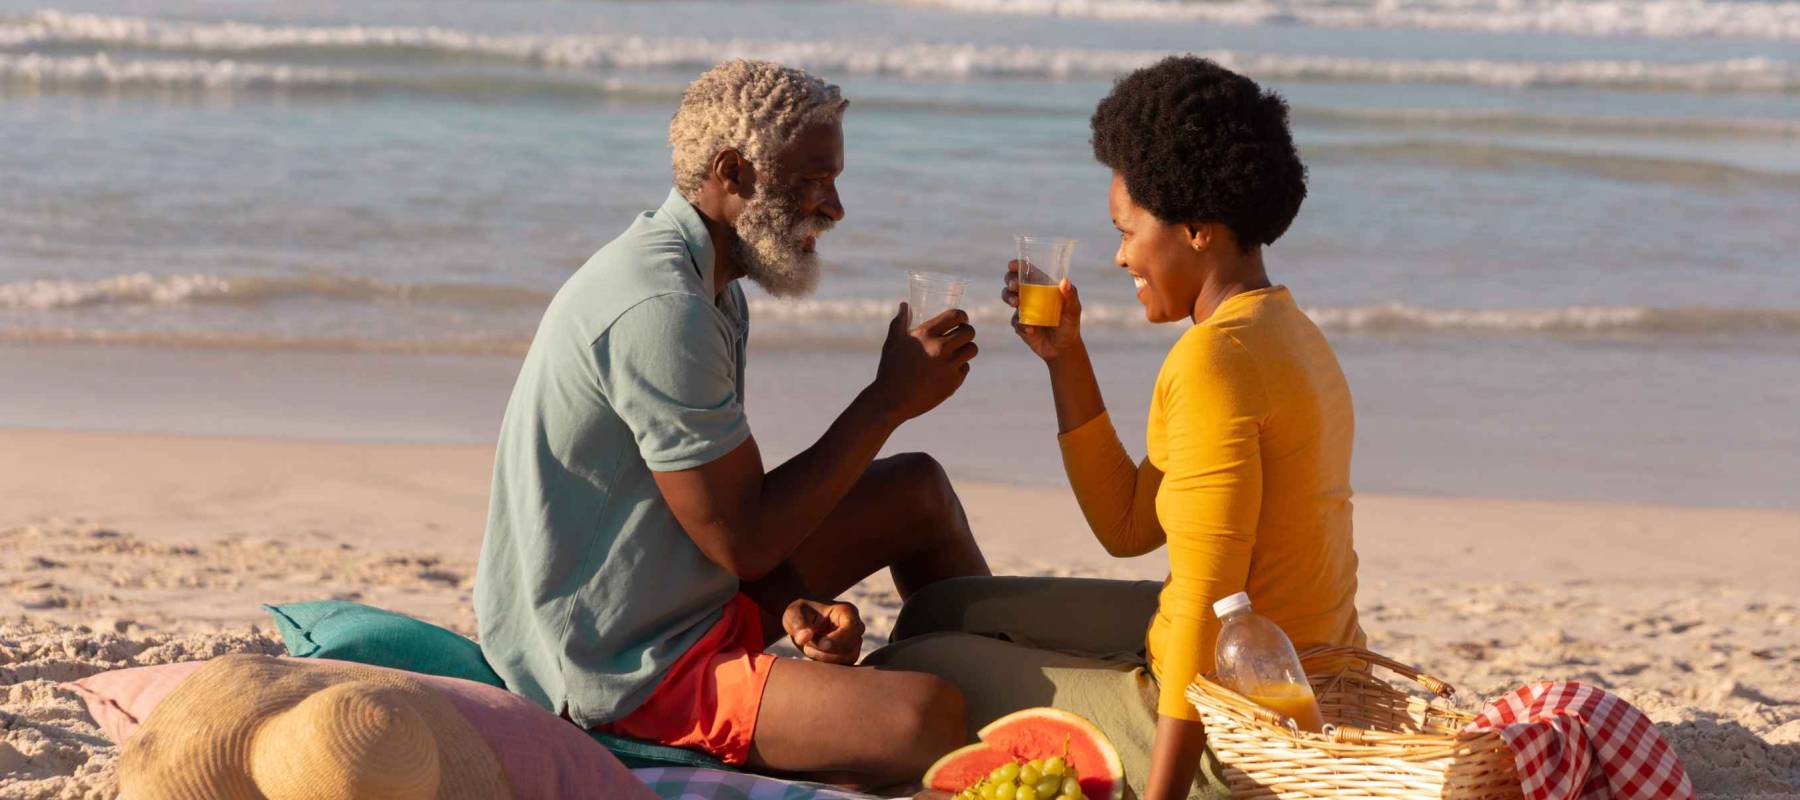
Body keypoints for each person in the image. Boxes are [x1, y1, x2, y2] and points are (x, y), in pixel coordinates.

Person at [474, 59, 990, 789]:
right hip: (619, 665)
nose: (834, 207)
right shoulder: (661, 307)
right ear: (732, 172)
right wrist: (885, 403)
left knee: (918, 492)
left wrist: (797, 605)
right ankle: (954, 711)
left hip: (678, 598)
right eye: (814, 180)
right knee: (926, 720)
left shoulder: (711, 281)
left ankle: (1011, 679)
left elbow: (722, 521)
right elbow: (745, 541)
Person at [865, 55, 1365, 800]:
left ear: (1196, 228)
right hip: (1298, 662)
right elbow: (1131, 525)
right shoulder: (1285, 330)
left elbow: (1202, 600)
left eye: (1128, 231)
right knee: (941, 607)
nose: (1119, 254)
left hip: (1242, 725)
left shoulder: (1214, 362)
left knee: (904, 669)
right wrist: (1066, 358)